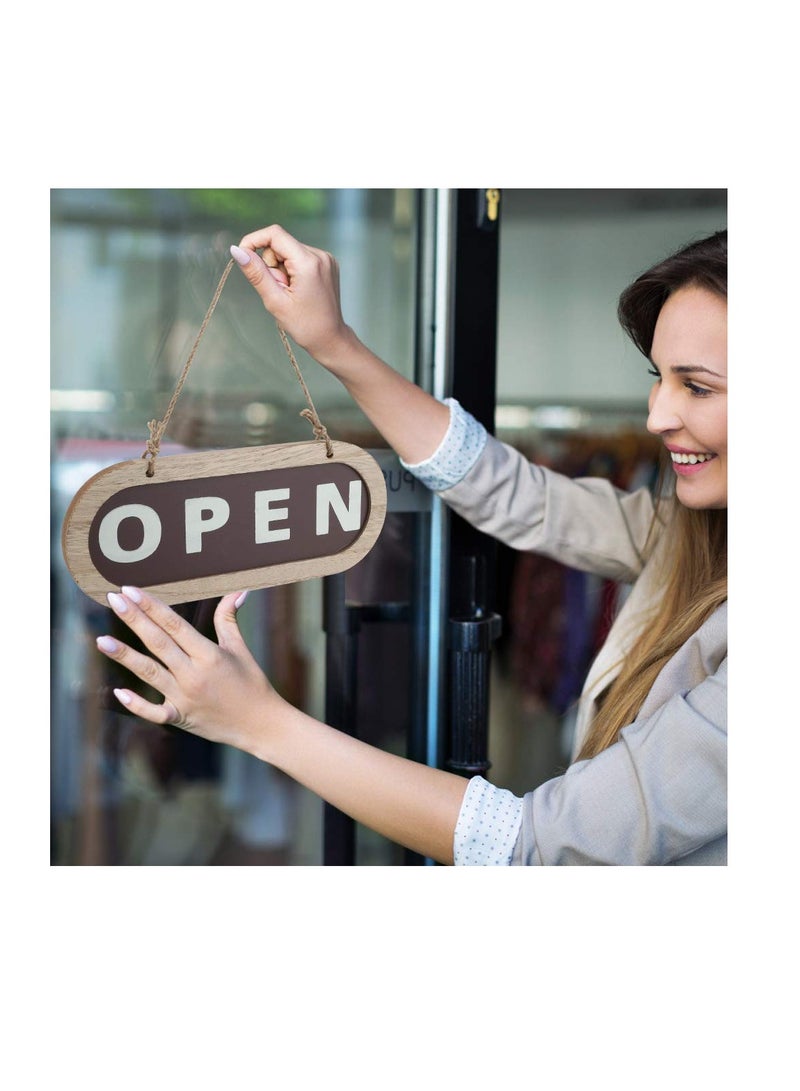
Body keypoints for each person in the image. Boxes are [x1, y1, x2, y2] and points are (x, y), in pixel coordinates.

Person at [95, 224, 727, 866]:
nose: (655, 417)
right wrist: (333, 343)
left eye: (698, 387)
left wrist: (260, 721)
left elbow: (539, 847)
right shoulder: (697, 534)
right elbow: (511, 491)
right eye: (658, 377)